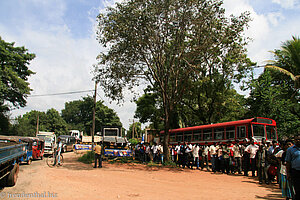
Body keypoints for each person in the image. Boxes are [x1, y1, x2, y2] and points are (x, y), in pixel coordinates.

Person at [286, 135, 300, 200]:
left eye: (299, 139)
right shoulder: (290, 150)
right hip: (295, 172)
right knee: (297, 189)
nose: (298, 141)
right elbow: (288, 162)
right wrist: (288, 173)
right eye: (296, 139)